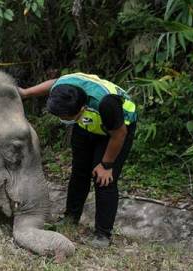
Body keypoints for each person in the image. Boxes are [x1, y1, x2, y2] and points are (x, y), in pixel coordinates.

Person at [18, 73, 137, 247]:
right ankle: (71, 217)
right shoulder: (67, 87)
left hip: (116, 130)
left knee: (103, 180)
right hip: (86, 126)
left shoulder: (106, 104)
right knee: (79, 172)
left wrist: (106, 165)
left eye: (64, 117)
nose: (61, 120)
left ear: (80, 109)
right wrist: (26, 93)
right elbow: (53, 84)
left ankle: (102, 234)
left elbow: (119, 135)